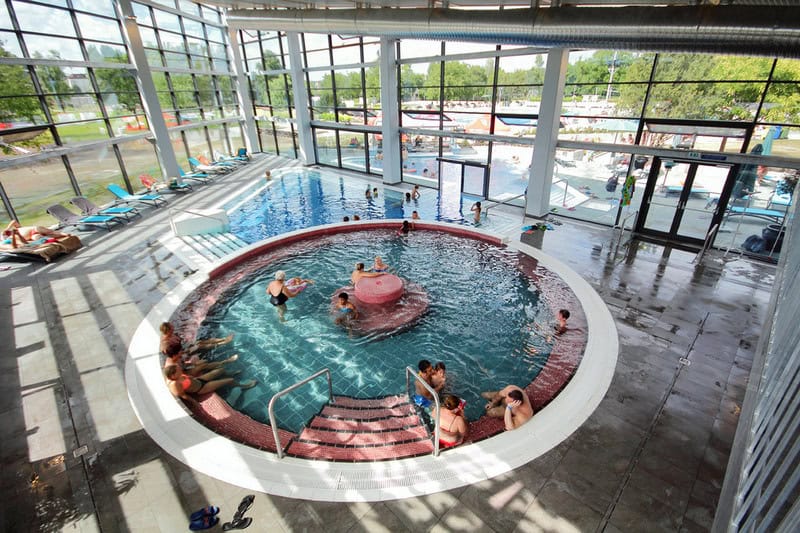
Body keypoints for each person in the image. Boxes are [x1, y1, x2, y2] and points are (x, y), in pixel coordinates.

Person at [164, 365, 255, 408]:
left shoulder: (177, 376)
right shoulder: (175, 384)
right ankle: (245, 386)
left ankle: (230, 373)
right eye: (178, 370)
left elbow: (188, 378)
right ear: (173, 375)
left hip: (199, 380)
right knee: (229, 381)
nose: (180, 369)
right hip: (201, 388)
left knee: (220, 370)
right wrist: (196, 404)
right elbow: (183, 395)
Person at [159, 322, 233, 359]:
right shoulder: (166, 344)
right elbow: (173, 356)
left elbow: (180, 341)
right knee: (199, 346)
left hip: (183, 347)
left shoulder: (170, 334)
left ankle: (223, 339)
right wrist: (186, 352)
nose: (173, 329)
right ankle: (223, 343)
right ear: (168, 331)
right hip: (181, 354)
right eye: (172, 328)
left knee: (200, 341)